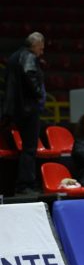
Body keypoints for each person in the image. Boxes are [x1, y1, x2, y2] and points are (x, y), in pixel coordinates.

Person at [1, 32, 46, 195]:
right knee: (29, 149)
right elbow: (30, 75)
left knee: (26, 148)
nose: (41, 52)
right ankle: (25, 184)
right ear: (35, 45)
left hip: (14, 109)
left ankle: (20, 183)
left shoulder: (13, 57)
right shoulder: (29, 57)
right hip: (28, 109)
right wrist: (39, 93)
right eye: (41, 48)